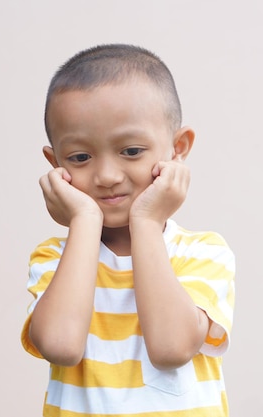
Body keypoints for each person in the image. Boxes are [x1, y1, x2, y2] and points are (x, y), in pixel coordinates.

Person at [21, 44, 236, 417]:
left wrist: (148, 223)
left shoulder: (204, 252)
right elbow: (60, 345)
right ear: (55, 164)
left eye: (131, 151)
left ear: (178, 148)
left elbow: (171, 349)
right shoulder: (55, 259)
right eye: (80, 157)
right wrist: (84, 220)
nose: (106, 176)